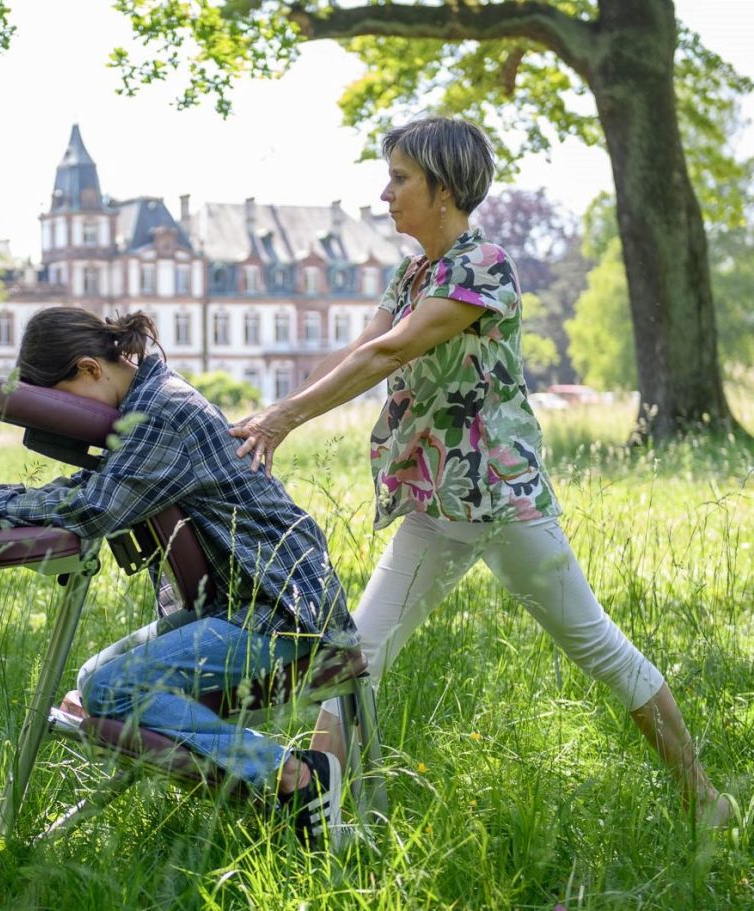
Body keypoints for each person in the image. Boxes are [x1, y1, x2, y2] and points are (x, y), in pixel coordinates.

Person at [228, 116, 731, 825]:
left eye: (400, 178)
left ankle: (705, 802)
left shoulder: (481, 265)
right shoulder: (411, 275)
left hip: (497, 499)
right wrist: (267, 415)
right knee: (356, 655)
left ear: (443, 188)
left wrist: (284, 421)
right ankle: (322, 820)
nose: (384, 192)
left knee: (594, 644)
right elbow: (354, 355)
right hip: (436, 501)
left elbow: (385, 356)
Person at [0, 306, 357, 845]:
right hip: (248, 604)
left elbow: (96, 511)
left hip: (279, 610)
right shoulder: (149, 402)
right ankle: (270, 783)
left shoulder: (161, 412)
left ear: (90, 368)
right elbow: (95, 492)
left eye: (63, 400)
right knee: (93, 683)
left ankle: (294, 776)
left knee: (112, 688)